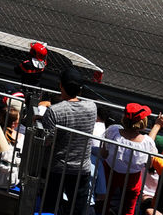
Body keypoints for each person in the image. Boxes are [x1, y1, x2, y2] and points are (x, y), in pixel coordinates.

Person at [32, 66, 98, 215]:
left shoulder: (55, 111)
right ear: (80, 89)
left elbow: (48, 140)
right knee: (77, 208)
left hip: (57, 167)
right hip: (82, 168)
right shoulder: (92, 107)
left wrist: (41, 123)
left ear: (61, 85)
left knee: (49, 206)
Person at [101, 103, 163, 215]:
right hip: (132, 178)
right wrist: (157, 126)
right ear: (142, 122)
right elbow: (149, 165)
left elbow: (104, 153)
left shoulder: (113, 131)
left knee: (103, 201)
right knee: (129, 208)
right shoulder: (146, 142)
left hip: (109, 171)